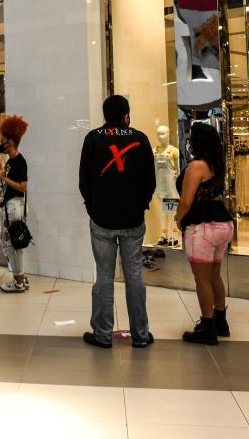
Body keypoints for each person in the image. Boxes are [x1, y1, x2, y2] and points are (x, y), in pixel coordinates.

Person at [79, 95, 156, 349]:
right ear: (127, 115)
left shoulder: (93, 138)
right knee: (134, 276)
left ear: (104, 115)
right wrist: (141, 204)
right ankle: (141, 335)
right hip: (133, 220)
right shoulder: (140, 138)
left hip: (102, 219)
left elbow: (84, 181)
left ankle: (102, 335)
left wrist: (93, 207)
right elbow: (150, 181)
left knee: (104, 276)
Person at [176, 123, 235, 345]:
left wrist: (178, 218)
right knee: (214, 276)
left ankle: (207, 327)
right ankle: (221, 321)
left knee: (201, 279)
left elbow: (186, 200)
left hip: (202, 226)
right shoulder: (217, 164)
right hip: (223, 224)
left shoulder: (196, 167)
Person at [0, 118, 30, 292]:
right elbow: (5, 181)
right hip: (10, 205)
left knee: (12, 243)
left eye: (3, 141)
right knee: (11, 243)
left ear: (11, 141)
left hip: (14, 206)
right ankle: (20, 277)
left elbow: (23, 186)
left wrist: (4, 177)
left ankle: (18, 279)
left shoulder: (19, 161)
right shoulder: (11, 161)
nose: (1, 144)